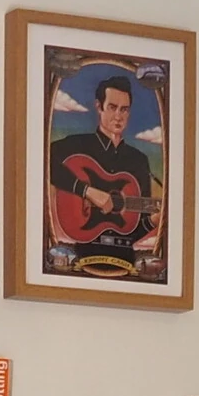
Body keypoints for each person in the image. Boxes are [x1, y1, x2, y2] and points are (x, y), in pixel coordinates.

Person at [46, 67, 159, 268]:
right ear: (99, 106)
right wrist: (87, 191)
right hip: (81, 252)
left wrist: (153, 221)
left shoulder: (139, 161)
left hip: (123, 259)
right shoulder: (77, 145)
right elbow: (43, 161)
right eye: (112, 107)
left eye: (124, 109)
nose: (118, 116)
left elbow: (133, 229)